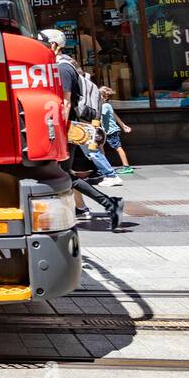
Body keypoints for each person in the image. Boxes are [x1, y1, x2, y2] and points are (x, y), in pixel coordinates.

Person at [43, 28, 125, 230]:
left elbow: (66, 103)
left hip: (67, 129)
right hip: (68, 129)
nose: (41, 48)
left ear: (54, 45)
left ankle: (107, 204)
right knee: (63, 174)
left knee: (61, 174)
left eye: (44, 44)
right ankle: (102, 205)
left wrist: (59, 133)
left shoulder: (62, 68)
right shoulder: (62, 65)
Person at [99, 86, 132, 174]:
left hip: (111, 131)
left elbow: (98, 114)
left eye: (98, 96)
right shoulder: (106, 105)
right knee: (100, 146)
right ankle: (104, 166)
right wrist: (123, 125)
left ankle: (126, 166)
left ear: (104, 97)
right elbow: (115, 116)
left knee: (118, 147)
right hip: (107, 131)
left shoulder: (105, 106)